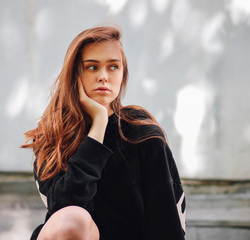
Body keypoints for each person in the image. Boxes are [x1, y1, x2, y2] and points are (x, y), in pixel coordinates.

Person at [22, 25, 186, 240]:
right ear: (75, 74)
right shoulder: (52, 137)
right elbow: (65, 209)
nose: (103, 76)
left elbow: (166, 221)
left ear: (123, 75)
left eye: (113, 67)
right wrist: (98, 127)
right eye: (92, 67)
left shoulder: (143, 135)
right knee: (73, 218)